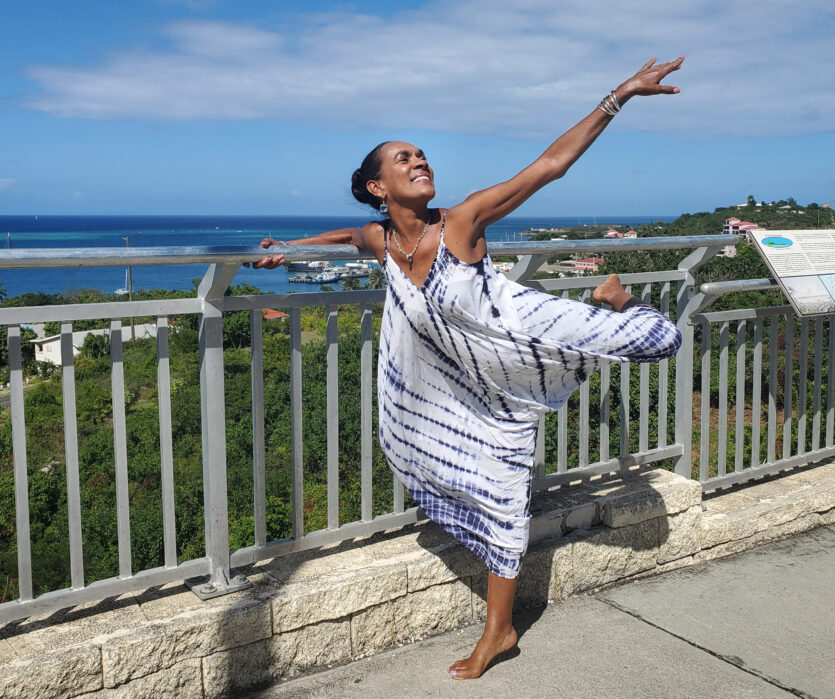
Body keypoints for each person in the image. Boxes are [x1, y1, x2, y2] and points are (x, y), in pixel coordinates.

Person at [255, 56, 685, 679]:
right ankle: (500, 629)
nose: (419, 162)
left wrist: (619, 95)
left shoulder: (462, 220)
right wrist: (290, 249)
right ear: (379, 186)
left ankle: (617, 302)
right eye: (403, 159)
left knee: (657, 341)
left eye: (422, 155)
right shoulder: (383, 241)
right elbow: (352, 236)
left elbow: (548, 167)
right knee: (492, 488)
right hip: (471, 391)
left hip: (520, 332)